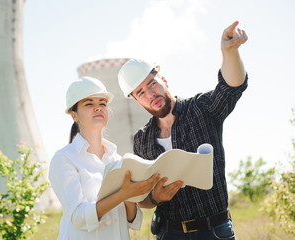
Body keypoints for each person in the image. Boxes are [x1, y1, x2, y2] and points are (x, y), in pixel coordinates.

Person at [117, 21, 248, 239]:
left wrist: (229, 52)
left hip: (215, 230)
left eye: (152, 84)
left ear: (164, 79)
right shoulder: (142, 139)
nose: (150, 94)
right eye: (141, 93)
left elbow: (231, 87)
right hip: (169, 233)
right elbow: (142, 197)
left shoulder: (202, 109)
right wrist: (156, 198)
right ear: (137, 102)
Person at [49, 76, 163, 239]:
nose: (98, 108)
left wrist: (130, 195)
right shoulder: (64, 159)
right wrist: (123, 194)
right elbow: (78, 217)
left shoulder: (118, 160)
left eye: (102, 103)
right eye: (89, 103)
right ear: (74, 115)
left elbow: (132, 220)